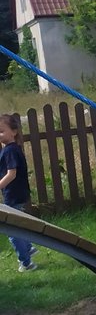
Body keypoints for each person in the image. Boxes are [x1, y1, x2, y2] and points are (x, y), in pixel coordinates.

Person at [0, 113, 38, 273]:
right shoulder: (11, 149)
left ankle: (26, 262)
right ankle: (28, 247)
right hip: (17, 193)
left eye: (1, 131)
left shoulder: (10, 151)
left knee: (11, 230)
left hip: (14, 195)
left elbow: (11, 174)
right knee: (15, 223)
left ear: (14, 132)